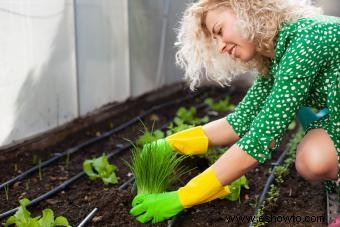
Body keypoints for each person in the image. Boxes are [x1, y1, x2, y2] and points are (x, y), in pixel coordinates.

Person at [130, 0, 340, 224]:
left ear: (247, 11)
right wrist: (171, 144)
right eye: (215, 39)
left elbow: (261, 140)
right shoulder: (277, 56)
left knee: (316, 158)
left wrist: (184, 197)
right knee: (313, 158)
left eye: (219, 31)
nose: (220, 46)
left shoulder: (305, 42)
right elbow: (239, 122)